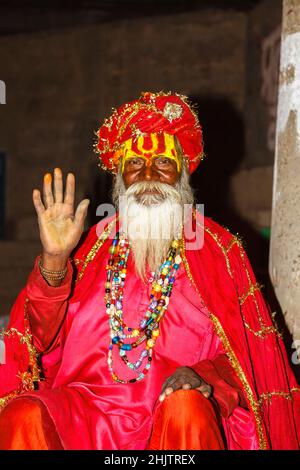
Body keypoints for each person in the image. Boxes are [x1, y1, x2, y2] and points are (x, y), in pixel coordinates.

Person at [0, 91, 299, 450]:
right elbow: (37, 344)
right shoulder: (90, 245)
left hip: (174, 417)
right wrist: (54, 259)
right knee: (25, 414)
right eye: (135, 165)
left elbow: (249, 357)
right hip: (87, 418)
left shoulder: (218, 250)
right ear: (120, 179)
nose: (148, 177)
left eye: (162, 163)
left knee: (187, 405)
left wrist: (202, 376)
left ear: (182, 174)